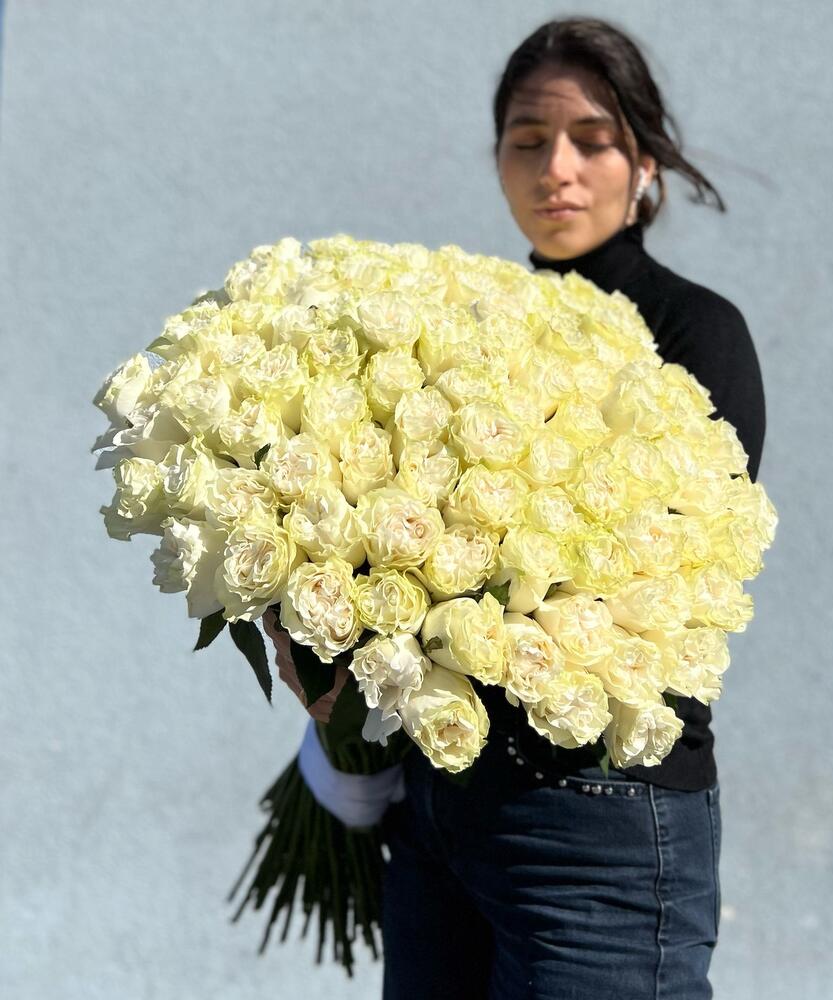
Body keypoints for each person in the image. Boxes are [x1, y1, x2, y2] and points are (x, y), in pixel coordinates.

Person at [265, 16, 765, 999]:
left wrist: (422, 610)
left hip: (595, 819)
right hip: (440, 811)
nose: (556, 170)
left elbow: (662, 578)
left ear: (645, 162)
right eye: (528, 141)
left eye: (592, 140)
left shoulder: (692, 332)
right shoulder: (455, 325)